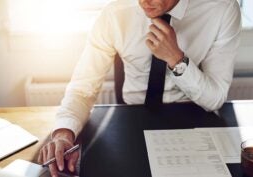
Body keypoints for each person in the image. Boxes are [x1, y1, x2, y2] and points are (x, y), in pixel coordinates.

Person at [38, 0, 241, 176]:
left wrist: (176, 59)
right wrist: (64, 132)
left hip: (192, 118)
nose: (143, 2)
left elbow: (215, 98)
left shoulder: (221, 9)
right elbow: (83, 88)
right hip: (129, 120)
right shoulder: (114, 13)